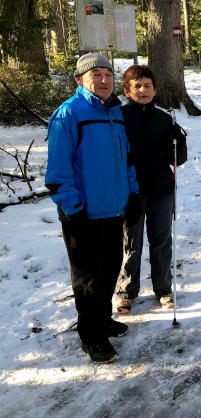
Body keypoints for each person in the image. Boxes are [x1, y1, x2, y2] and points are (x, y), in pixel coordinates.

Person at [45, 53, 140, 363]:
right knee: (87, 279)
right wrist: (72, 207)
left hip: (113, 209)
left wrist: (133, 194)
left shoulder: (115, 112)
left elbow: (125, 158)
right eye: (95, 74)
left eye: (107, 74)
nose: (103, 80)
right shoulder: (69, 113)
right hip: (82, 212)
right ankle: (91, 335)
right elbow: (58, 169)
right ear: (80, 80)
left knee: (110, 268)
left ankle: (102, 319)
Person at [115, 65, 188, 314]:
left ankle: (163, 288)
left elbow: (177, 159)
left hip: (161, 189)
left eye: (147, 86)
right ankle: (126, 291)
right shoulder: (119, 117)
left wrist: (179, 140)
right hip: (131, 191)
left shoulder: (164, 119)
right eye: (137, 86)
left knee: (161, 240)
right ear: (127, 90)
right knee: (131, 242)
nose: (143, 90)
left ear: (155, 89)